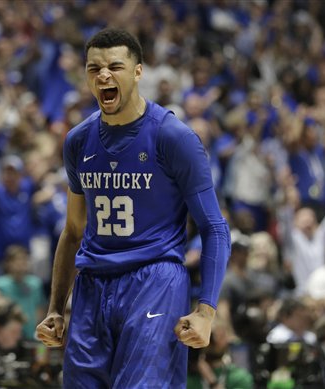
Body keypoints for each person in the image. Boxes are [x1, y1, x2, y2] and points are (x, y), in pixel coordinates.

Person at [35, 28, 230, 388]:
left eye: (114, 66)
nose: (103, 76)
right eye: (94, 69)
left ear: (138, 72)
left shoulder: (174, 137)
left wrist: (206, 310)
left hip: (153, 279)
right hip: (92, 284)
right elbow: (74, 230)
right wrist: (55, 309)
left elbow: (215, 227)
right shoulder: (78, 140)